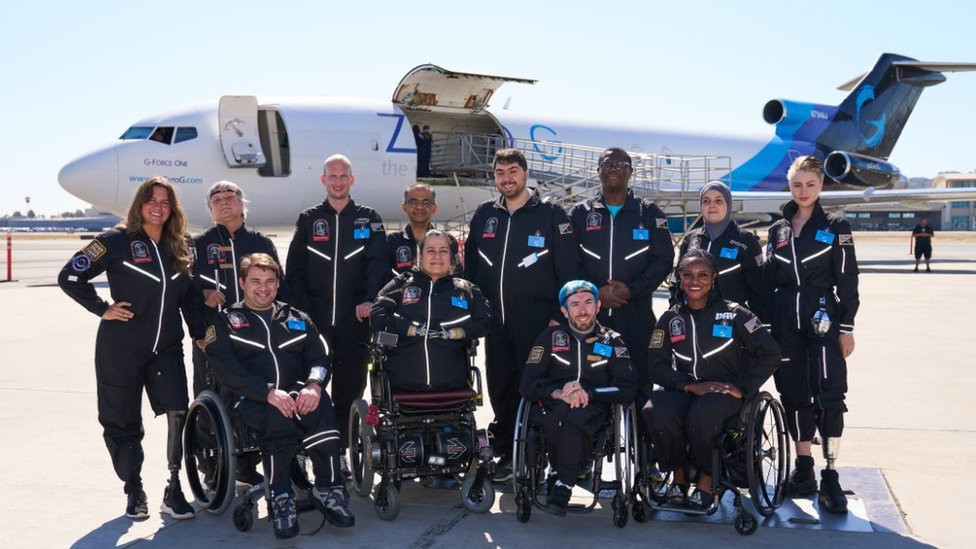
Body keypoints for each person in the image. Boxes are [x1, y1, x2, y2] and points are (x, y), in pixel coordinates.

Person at [58, 176, 203, 521]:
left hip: (166, 347)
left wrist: (200, 332)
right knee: (122, 420)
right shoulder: (114, 242)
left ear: (173, 209)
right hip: (120, 348)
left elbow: (190, 300)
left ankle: (173, 485)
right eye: (151, 200)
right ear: (139, 205)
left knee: (178, 411)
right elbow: (70, 276)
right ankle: (134, 488)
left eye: (165, 202)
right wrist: (100, 307)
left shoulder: (181, 246)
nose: (158, 207)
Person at [204, 253, 354, 539]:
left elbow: (320, 357)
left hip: (298, 394)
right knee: (277, 412)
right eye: (256, 281)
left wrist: (314, 385)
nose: (263, 288)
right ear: (242, 282)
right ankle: (281, 495)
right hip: (251, 400)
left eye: (270, 281)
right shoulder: (225, 322)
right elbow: (225, 367)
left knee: (321, 403)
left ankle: (328, 489)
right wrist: (268, 392)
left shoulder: (297, 318)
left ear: (278, 283)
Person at [464, 148, 580, 481]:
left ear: (526, 173)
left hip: (538, 322)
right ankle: (505, 451)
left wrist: (560, 318)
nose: (507, 178)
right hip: (494, 321)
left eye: (513, 171)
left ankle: (533, 453)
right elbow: (471, 268)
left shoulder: (551, 215)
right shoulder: (486, 215)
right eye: (500, 173)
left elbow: (568, 270)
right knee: (501, 385)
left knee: (534, 387)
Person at [642, 250, 780, 510]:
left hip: (724, 391)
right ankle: (679, 477)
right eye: (688, 275)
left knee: (704, 413)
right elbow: (656, 365)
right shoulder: (670, 319)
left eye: (703, 275)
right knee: (656, 409)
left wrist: (743, 387)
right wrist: (687, 384)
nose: (695, 281)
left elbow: (770, 353)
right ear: (680, 279)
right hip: (687, 387)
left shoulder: (737, 314)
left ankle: (708, 480)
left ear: (714, 278)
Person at [764, 155, 859, 514]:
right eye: (796, 184)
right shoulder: (778, 231)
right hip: (785, 317)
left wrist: (846, 326)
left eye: (810, 184)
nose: (803, 191)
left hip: (823, 315)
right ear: (789, 186)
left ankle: (830, 476)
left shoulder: (836, 225)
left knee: (829, 393)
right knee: (792, 392)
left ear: (821, 186)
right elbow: (768, 280)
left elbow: (849, 278)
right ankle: (804, 469)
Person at [285, 154, 389, 461]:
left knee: (348, 389)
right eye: (333, 176)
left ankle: (340, 452)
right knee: (309, 386)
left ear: (352, 179)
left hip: (353, 322)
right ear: (323, 180)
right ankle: (306, 449)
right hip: (314, 323)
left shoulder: (369, 219)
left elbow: (379, 265)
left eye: (344, 176)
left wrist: (370, 299)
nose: (338, 181)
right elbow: (294, 272)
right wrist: (302, 314)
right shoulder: (309, 219)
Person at [519, 280, 637, 516]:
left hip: (594, 407)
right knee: (558, 415)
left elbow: (627, 388)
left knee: (576, 416)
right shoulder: (549, 338)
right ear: (564, 310)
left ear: (598, 305)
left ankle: (562, 482)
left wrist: (590, 394)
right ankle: (563, 473)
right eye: (575, 304)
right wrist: (558, 393)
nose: (582, 310)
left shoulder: (612, 341)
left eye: (588, 303)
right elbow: (527, 384)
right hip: (553, 405)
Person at [569, 147, 674, 396]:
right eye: (606, 165)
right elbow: (570, 262)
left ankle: (640, 433)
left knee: (639, 381)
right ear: (598, 172)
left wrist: (632, 290)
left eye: (620, 164)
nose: (612, 169)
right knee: (594, 377)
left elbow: (663, 260)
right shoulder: (580, 214)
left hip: (636, 315)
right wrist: (596, 293)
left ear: (631, 171)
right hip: (592, 317)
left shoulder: (649, 214)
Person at [191, 180, 286, 397]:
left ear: (242, 204)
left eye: (229, 198)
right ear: (210, 209)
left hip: (257, 335)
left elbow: (281, 287)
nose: (223, 203)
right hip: (211, 336)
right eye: (216, 200)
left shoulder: (261, 243)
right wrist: (199, 326)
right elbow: (187, 292)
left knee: (258, 391)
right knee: (210, 396)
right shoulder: (198, 245)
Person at [371, 229, 491, 392]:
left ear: (451, 256)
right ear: (420, 255)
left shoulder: (466, 290)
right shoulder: (400, 284)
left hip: (452, 384)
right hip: (402, 384)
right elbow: (377, 316)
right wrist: (409, 328)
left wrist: (460, 332)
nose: (437, 256)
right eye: (430, 251)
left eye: (443, 251)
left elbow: (485, 321)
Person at [675, 180, 765, 319]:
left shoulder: (746, 242)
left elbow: (759, 290)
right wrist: (676, 313)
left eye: (718, 201)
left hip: (730, 323)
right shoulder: (690, 240)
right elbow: (677, 282)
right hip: (693, 320)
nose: (712, 206)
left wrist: (754, 328)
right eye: (706, 201)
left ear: (728, 204)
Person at [388, 183, 458, 278]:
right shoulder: (392, 241)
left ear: (434, 208)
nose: (420, 207)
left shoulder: (448, 240)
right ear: (404, 207)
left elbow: (457, 276)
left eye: (426, 203)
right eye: (413, 202)